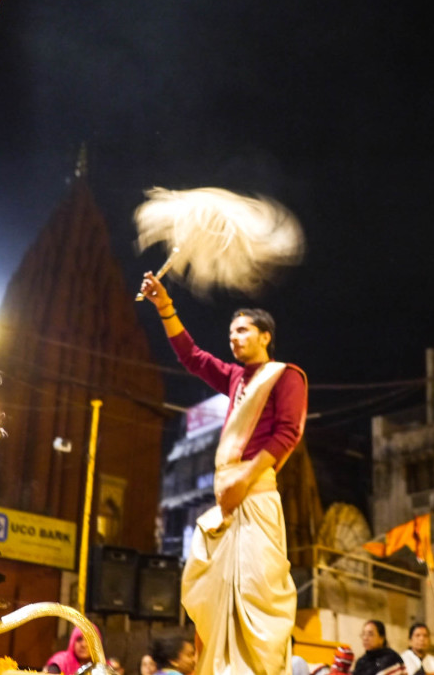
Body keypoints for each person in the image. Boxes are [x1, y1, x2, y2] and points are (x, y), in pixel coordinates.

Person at [140, 273, 307, 675]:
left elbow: (289, 432)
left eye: (243, 331)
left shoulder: (286, 376)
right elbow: (191, 357)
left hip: (256, 498)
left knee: (256, 593)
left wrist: (246, 477)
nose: (233, 338)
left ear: (265, 336)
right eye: (231, 333)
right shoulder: (234, 378)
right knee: (212, 595)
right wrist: (165, 306)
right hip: (226, 503)